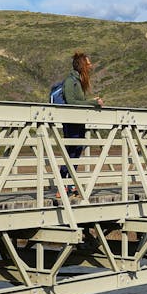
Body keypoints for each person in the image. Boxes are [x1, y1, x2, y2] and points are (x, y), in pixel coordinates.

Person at [59, 51, 103, 190]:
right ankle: (63, 184)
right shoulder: (70, 81)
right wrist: (92, 103)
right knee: (70, 151)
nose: (90, 66)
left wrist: (91, 101)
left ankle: (71, 184)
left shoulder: (79, 81)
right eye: (88, 64)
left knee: (77, 150)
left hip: (79, 122)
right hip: (71, 122)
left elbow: (80, 101)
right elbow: (71, 101)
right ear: (82, 65)